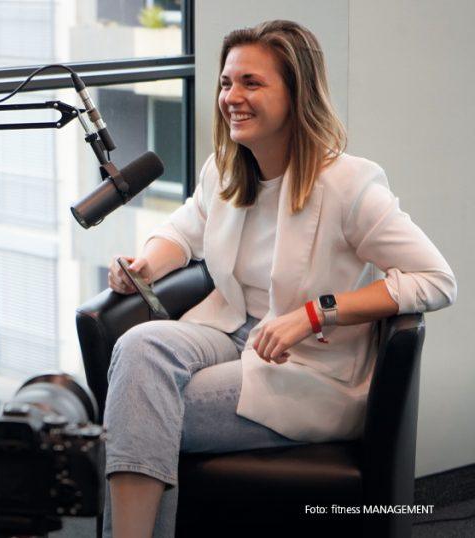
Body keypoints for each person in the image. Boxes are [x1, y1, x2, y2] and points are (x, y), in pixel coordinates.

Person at [103, 20, 456, 537]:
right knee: (139, 348)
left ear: (296, 94)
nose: (231, 97)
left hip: (310, 367)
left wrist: (314, 314)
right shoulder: (225, 170)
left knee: (136, 417)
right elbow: (182, 231)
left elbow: (436, 280)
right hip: (230, 333)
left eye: (251, 82)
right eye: (226, 82)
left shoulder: (348, 184)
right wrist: (145, 266)